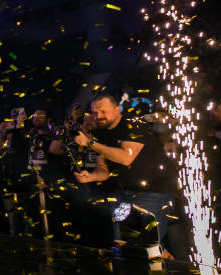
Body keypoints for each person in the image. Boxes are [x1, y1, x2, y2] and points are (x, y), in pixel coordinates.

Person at [74, 93, 178, 253]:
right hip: (124, 192)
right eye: (95, 112)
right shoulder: (101, 133)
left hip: (153, 191)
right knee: (121, 243)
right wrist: (91, 176)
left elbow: (125, 157)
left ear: (117, 110)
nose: (98, 116)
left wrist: (90, 143)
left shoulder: (132, 124)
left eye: (103, 111)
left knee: (149, 245)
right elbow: (104, 169)